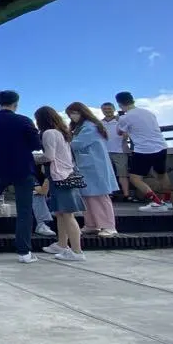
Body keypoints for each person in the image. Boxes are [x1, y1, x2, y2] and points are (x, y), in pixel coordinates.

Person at [0, 90, 42, 263]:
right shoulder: (24, 121)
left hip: (0, 168)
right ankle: (24, 252)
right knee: (24, 210)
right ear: (16, 104)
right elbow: (36, 144)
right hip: (23, 168)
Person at [35, 106, 86, 261]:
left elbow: (49, 157)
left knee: (67, 214)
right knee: (61, 213)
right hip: (67, 174)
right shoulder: (62, 133)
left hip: (59, 177)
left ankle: (77, 251)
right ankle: (62, 244)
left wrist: (33, 159)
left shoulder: (49, 133)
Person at [67, 102, 119, 238]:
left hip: (95, 166)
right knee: (87, 196)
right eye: (70, 114)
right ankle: (92, 224)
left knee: (100, 196)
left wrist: (62, 143)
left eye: (74, 113)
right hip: (87, 167)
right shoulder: (81, 127)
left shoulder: (90, 126)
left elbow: (77, 144)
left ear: (82, 112)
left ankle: (109, 226)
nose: (72, 116)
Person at [115, 92, 173, 212]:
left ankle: (157, 203)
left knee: (135, 178)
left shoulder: (125, 117)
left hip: (143, 150)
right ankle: (167, 202)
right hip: (161, 146)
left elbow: (119, 132)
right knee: (162, 174)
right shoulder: (148, 112)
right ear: (132, 100)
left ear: (119, 104)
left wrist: (119, 119)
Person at [100, 103, 132, 200]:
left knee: (123, 174)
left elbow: (128, 132)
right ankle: (110, 194)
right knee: (108, 174)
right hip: (104, 151)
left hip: (120, 150)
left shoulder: (121, 120)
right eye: (105, 109)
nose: (107, 110)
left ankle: (126, 195)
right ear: (102, 110)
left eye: (109, 108)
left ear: (114, 109)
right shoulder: (100, 123)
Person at [32, 161, 57, 237]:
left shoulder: (57, 170)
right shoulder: (32, 171)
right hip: (33, 201)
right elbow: (42, 191)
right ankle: (41, 225)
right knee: (37, 195)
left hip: (48, 202)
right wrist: (48, 178)